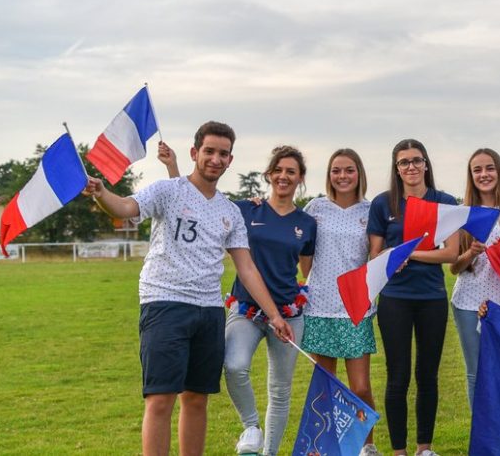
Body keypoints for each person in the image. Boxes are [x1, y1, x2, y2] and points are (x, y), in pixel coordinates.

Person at [82, 121, 293, 456]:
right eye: (209, 151)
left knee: (196, 399)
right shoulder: (169, 190)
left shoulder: (229, 211)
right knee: (160, 399)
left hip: (209, 311)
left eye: (223, 154)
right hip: (165, 303)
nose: (215, 158)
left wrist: (274, 315)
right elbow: (124, 207)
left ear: (230, 160)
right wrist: (100, 193)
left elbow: (247, 267)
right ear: (195, 153)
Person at [221, 146, 316, 456]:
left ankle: (270, 453)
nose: (284, 176)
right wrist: (172, 167)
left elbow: (307, 270)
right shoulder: (248, 209)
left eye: (291, 171)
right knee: (234, 367)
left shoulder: (306, 222)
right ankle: (252, 427)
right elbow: (203, 203)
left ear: (300, 178)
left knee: (280, 391)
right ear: (269, 174)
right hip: (247, 309)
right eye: (279, 170)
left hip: (288, 316)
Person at [367, 139, 459, 456]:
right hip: (395, 299)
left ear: (426, 164)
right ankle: (399, 450)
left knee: (427, 375)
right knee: (398, 376)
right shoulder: (383, 204)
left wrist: (412, 254)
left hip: (431, 298)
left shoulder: (443, 201)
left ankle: (424, 447)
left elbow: (450, 253)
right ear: (396, 168)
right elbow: (375, 256)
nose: (411, 167)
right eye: (404, 162)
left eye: (416, 160)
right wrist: (393, 256)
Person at [299, 149, 381, 456]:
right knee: (326, 385)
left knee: (359, 386)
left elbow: (374, 257)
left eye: (349, 170)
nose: (342, 176)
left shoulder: (371, 210)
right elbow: (305, 259)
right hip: (320, 306)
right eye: (336, 170)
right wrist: (318, 284)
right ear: (329, 174)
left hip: (356, 308)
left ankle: (367, 445)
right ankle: (327, 445)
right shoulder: (315, 208)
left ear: (359, 173)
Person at [449, 148, 500, 407]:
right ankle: (482, 438)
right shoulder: (464, 214)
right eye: (477, 170)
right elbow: (454, 268)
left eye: (489, 168)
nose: (484, 174)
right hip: (468, 303)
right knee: (476, 373)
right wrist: (470, 253)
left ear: (499, 171)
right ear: (471, 176)